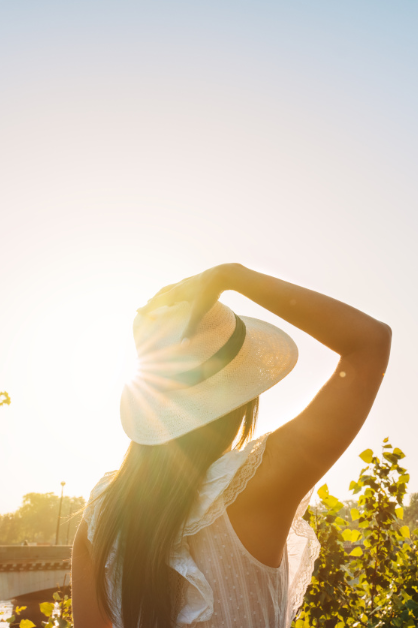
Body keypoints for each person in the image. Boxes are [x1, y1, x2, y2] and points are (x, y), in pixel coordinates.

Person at [70, 263, 391, 628]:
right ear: (241, 399)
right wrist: (233, 277)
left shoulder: (100, 515)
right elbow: (369, 343)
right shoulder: (258, 482)